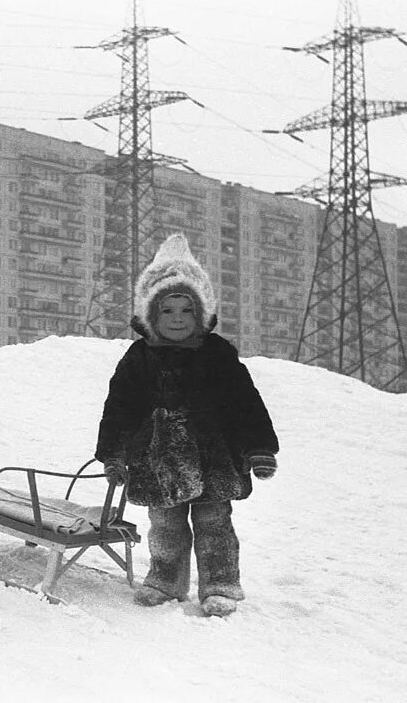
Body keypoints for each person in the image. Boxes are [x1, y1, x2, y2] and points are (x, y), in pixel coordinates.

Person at [95, 232, 279, 617]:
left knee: (214, 524)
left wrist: (259, 448)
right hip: (156, 460)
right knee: (164, 526)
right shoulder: (138, 359)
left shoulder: (218, 356)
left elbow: (245, 404)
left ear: (201, 313)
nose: (177, 318)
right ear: (149, 314)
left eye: (186, 310)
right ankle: (165, 579)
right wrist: (113, 454)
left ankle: (221, 583)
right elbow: (119, 410)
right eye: (167, 310)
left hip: (213, 457)